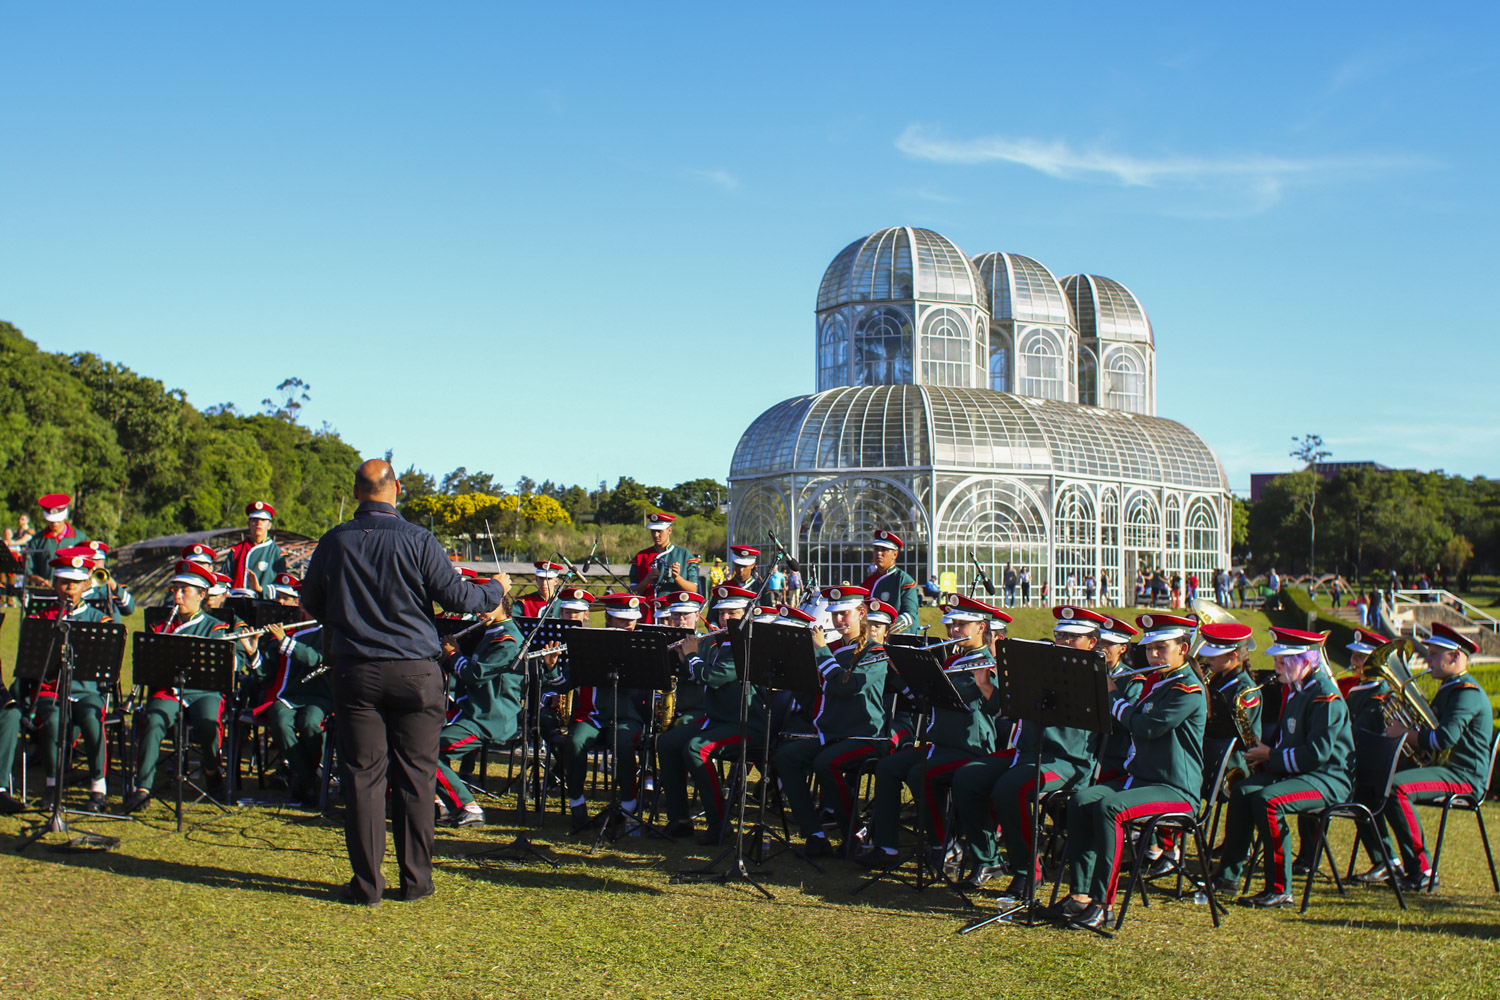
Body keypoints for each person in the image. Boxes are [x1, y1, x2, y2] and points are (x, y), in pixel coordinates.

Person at [299, 459, 506, 907]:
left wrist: (349, 615)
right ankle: (415, 880)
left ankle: (367, 885)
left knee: (363, 778)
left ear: (357, 492)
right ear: (397, 488)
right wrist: (496, 588)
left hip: (357, 670)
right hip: (414, 670)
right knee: (416, 776)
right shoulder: (418, 539)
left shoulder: (334, 541)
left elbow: (310, 601)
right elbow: (459, 597)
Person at [1048, 613, 1206, 930]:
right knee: (1080, 801)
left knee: (1110, 808)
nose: (1154, 655)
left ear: (1183, 649)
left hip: (1175, 789)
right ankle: (1080, 894)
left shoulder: (1187, 690)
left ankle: (1103, 904)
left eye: (1162, 648)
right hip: (1142, 780)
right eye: (1149, 649)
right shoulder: (1159, 683)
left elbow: (1146, 727)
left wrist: (1111, 694)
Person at [955, 604, 1100, 896]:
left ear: (1092, 643)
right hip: (1028, 754)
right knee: (967, 777)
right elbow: (1008, 711)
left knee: (1010, 788)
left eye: (1073, 637)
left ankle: (1027, 869)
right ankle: (987, 860)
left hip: (1068, 761)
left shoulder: (1095, 677)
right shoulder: (1041, 669)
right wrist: (986, 685)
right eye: (1060, 636)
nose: (1064, 642)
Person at [1212, 627, 1354, 908]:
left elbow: (1317, 754)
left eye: (1282, 661)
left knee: (1268, 801)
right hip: (1300, 774)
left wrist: (1270, 756)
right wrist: (1265, 754)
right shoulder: (1298, 690)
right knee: (1242, 791)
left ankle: (1280, 889)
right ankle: (1228, 876)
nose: (1275, 667)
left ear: (1304, 661)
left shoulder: (1325, 697)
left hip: (1327, 779)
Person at [862, 595, 1004, 873]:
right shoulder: (953, 660)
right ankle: (886, 846)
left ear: (981, 627)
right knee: (888, 767)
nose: (954, 630)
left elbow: (995, 706)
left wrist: (983, 683)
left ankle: (943, 844)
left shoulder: (987, 664)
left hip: (969, 747)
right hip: (940, 744)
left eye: (961, 625)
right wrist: (903, 671)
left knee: (920, 774)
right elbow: (924, 699)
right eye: (952, 625)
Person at [1363, 622, 1492, 891]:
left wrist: (1404, 734)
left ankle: (1423, 871)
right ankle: (1388, 861)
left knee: (1396, 788)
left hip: (1464, 776)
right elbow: (1430, 741)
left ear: (1455, 656)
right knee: (1371, 781)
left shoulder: (1466, 693)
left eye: (1434, 654)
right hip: (1447, 770)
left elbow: (1444, 740)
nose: (1427, 660)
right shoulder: (1449, 689)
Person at [125, 560, 261, 814]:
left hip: (203, 691)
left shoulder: (216, 627)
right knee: (153, 719)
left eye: (184, 591)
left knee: (208, 724)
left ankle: (212, 771)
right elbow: (145, 666)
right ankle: (143, 788)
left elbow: (230, 666)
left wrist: (235, 655)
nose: (177, 596)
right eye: (175, 590)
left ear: (201, 595)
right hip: (170, 690)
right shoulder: (161, 626)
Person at [772, 586, 890, 857]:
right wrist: (790, 671)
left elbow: (846, 687)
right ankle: (814, 833)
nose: (838, 620)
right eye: (835, 614)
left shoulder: (875, 652)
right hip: (831, 734)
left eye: (844, 614)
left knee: (827, 762)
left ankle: (855, 832)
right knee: (785, 757)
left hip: (864, 735)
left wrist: (822, 653)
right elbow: (813, 694)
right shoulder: (832, 649)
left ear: (861, 614)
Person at [659, 584, 763, 844]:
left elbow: (713, 677)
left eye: (732, 613)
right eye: (721, 613)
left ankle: (719, 823)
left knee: (696, 748)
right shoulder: (722, 641)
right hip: (718, 720)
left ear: (747, 614)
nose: (725, 619)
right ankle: (679, 819)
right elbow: (705, 676)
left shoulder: (747, 643)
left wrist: (692, 655)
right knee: (667, 742)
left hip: (745, 724)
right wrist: (685, 659)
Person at [30, 549, 120, 811]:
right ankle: (52, 783)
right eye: (64, 582)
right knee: (52, 721)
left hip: (87, 690)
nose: (69, 589)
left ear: (86, 585)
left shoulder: (100, 620)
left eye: (76, 583)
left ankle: (98, 787)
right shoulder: (40, 619)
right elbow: (30, 663)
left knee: (92, 718)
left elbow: (108, 664)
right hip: (51, 690)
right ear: (55, 584)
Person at [560, 592, 653, 834]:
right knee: (575, 741)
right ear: (608, 619)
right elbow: (565, 682)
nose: (629, 624)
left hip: (628, 717)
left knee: (622, 742)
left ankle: (629, 806)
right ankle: (577, 805)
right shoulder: (587, 644)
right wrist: (550, 669)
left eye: (632, 619)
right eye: (622, 620)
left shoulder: (643, 647)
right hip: (591, 715)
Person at [433, 589, 523, 828]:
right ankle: (440, 803)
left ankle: (468, 807)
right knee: (423, 747)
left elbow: (475, 675)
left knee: (428, 753)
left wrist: (453, 654)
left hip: (491, 718)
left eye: (486, 606)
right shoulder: (490, 633)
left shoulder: (507, 640)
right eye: (478, 606)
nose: (479, 612)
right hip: (475, 713)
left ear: (502, 604)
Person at [249, 574, 330, 808]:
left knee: (310, 724)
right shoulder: (287, 632)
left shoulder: (329, 632)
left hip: (319, 696)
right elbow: (266, 673)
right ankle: (309, 782)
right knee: (281, 722)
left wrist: (286, 642)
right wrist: (253, 652)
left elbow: (315, 659)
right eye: (304, 600)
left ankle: (305, 780)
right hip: (287, 696)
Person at [628, 512, 700, 622]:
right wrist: (647, 580)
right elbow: (633, 592)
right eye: (653, 531)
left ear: (669, 530)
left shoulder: (684, 555)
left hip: (674, 617)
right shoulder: (641, 556)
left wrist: (677, 578)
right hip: (647, 616)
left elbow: (693, 589)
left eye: (659, 531)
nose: (656, 535)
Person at [861, 529, 920, 633]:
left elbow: (910, 616)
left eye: (884, 550)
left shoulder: (904, 581)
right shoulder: (868, 582)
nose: (879, 553)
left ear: (895, 554)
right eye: (876, 549)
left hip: (896, 638)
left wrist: (885, 629)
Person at [25, 493, 88, 584]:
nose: (54, 524)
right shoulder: (36, 540)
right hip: (44, 590)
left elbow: (87, 566)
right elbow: (29, 570)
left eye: (58, 521)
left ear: (64, 517)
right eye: (51, 521)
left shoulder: (79, 538)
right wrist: (40, 581)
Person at [228, 501, 286, 596]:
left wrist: (260, 589)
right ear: (248, 524)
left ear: (269, 525)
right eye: (254, 520)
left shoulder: (277, 554)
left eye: (263, 520)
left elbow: (283, 587)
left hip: (263, 604)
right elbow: (225, 581)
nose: (258, 523)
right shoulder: (236, 550)